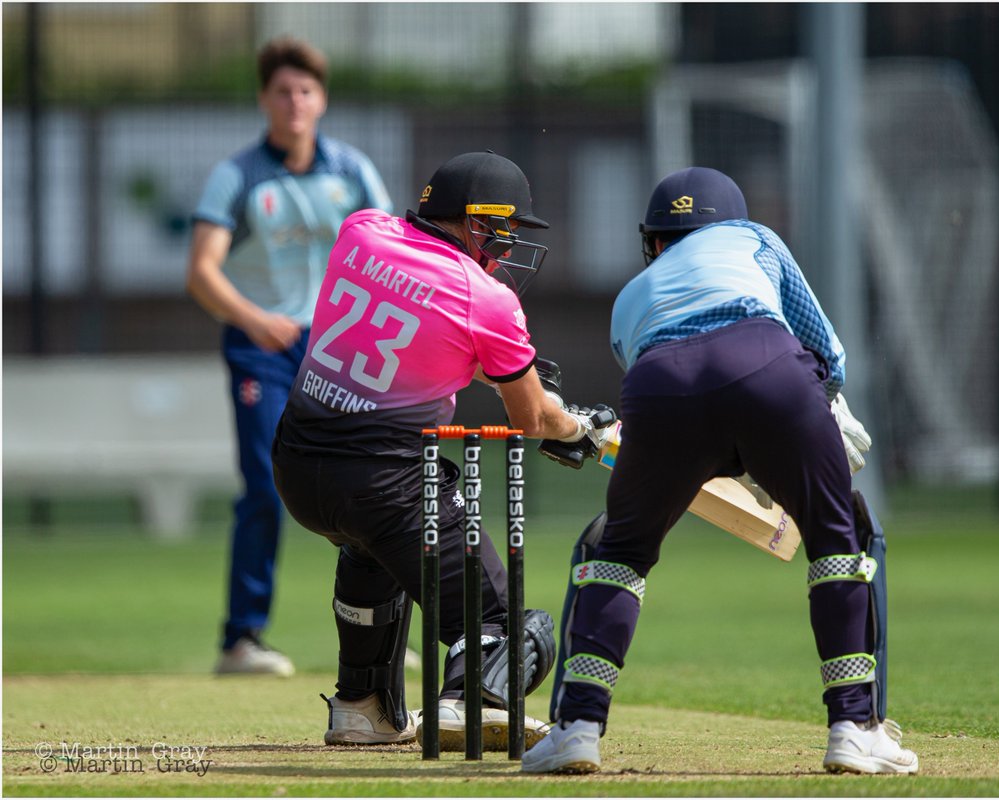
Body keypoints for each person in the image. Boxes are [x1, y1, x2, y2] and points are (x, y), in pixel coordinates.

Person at [521, 167, 919, 775]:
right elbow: (825, 350)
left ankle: (577, 729)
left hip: (660, 390)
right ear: (729, 220)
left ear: (653, 240)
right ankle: (853, 728)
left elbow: (663, 380)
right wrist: (810, 419)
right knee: (839, 541)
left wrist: (726, 450)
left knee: (620, 553)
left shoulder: (630, 296)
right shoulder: (754, 238)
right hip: (769, 371)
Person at [270, 151, 618, 749]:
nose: (506, 248)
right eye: (504, 230)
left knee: (369, 553)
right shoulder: (487, 300)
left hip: (298, 469)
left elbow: (420, 333)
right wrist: (578, 426)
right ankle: (467, 703)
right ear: (476, 220)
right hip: (387, 484)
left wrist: (520, 383)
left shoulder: (361, 232)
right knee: (505, 626)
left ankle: (361, 706)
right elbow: (533, 419)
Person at [187, 36, 396, 676]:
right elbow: (201, 272)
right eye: (282, 90)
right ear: (264, 100)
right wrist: (255, 320)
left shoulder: (352, 171)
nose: (294, 102)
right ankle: (241, 640)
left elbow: (391, 255)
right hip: (263, 348)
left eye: (305, 90)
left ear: (322, 99)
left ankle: (383, 630)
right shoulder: (240, 175)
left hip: (338, 348)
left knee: (376, 479)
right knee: (263, 486)